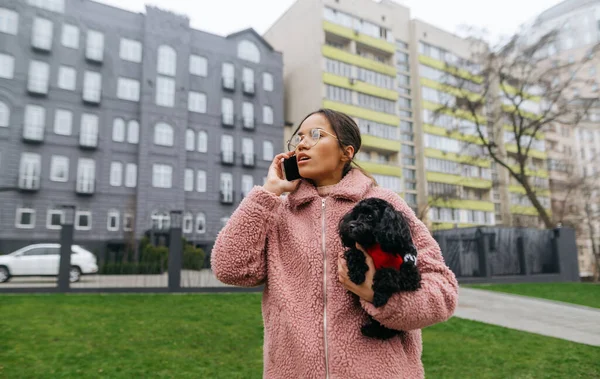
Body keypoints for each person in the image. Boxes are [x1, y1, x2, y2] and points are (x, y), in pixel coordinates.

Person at [211, 108, 458, 378]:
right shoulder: (278, 211)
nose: (303, 143)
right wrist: (269, 192)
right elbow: (229, 267)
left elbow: (442, 291)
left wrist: (377, 295)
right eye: (299, 138)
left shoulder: (383, 205)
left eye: (316, 134)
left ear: (347, 152)